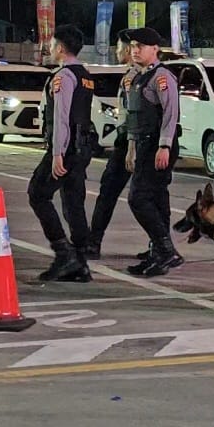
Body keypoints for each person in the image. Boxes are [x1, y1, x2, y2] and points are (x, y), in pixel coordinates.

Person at [27, 24, 95, 282]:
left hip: (66, 148)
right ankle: (81, 263)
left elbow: (62, 118)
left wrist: (57, 153)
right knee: (73, 202)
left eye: (53, 45)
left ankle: (63, 253)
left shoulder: (63, 77)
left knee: (37, 194)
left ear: (61, 48)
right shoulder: (86, 75)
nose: (51, 49)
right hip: (82, 147)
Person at [123, 27, 184, 277]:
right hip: (144, 144)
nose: (135, 50)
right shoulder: (139, 77)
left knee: (138, 198)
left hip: (157, 145)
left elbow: (171, 113)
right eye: (133, 46)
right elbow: (133, 116)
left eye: (140, 46)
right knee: (158, 200)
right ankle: (157, 254)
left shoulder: (162, 77)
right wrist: (130, 147)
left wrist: (165, 145)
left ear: (155, 49)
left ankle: (166, 250)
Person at [84, 31, 142, 260]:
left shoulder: (132, 78)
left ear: (128, 50)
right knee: (149, 197)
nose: (115, 51)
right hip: (132, 141)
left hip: (129, 143)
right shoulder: (132, 75)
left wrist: (130, 148)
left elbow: (131, 116)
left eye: (118, 47)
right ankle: (159, 246)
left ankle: (94, 241)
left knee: (110, 192)